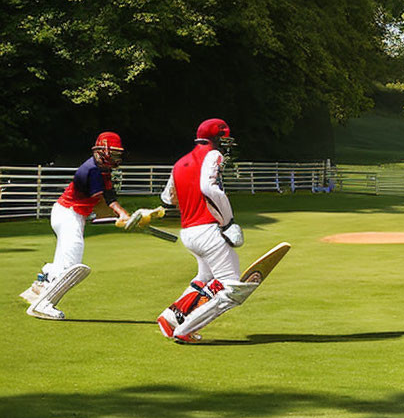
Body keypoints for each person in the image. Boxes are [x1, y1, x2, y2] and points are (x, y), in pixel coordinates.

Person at [156, 118, 249, 343]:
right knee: (232, 287)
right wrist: (228, 222)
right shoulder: (213, 155)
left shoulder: (180, 162)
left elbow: (167, 197)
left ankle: (171, 317)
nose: (226, 145)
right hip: (208, 229)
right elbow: (209, 188)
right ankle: (186, 328)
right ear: (216, 139)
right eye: (224, 139)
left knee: (205, 278)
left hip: (188, 231)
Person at [21, 132, 132, 320]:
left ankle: (41, 283)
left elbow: (110, 197)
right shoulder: (91, 170)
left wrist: (122, 214)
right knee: (72, 266)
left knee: (64, 261)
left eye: (116, 154)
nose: (115, 158)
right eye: (112, 153)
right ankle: (44, 305)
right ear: (102, 151)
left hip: (70, 214)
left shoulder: (102, 169)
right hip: (69, 213)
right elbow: (103, 204)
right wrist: (125, 217)